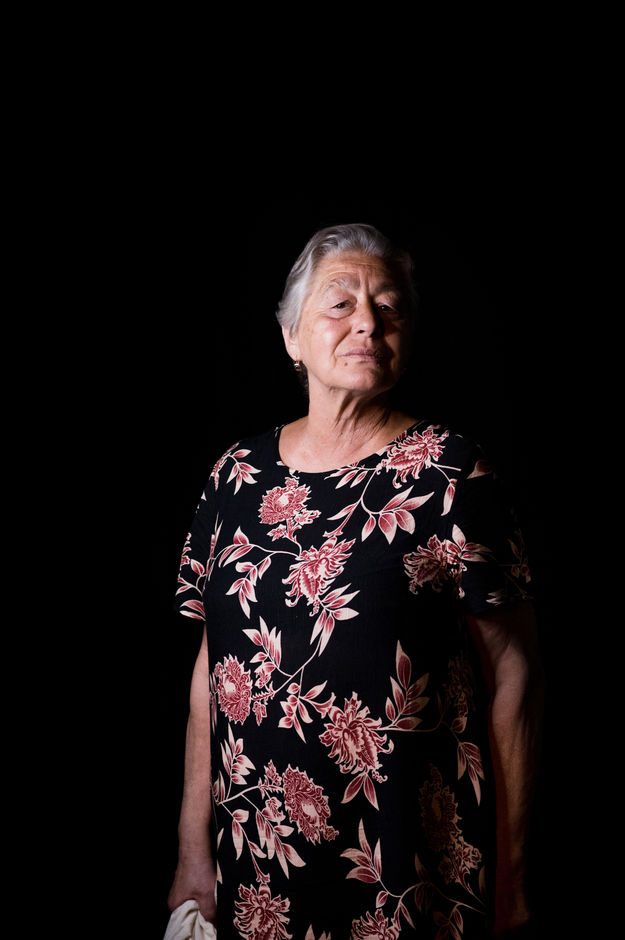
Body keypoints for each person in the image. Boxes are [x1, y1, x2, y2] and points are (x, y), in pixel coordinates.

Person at [167, 223, 543, 939]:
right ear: (292, 337)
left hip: (409, 867)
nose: (368, 321)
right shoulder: (235, 476)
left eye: (389, 306)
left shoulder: (451, 473)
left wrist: (513, 877)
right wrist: (191, 854)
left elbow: (514, 679)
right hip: (256, 869)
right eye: (339, 303)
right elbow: (211, 670)